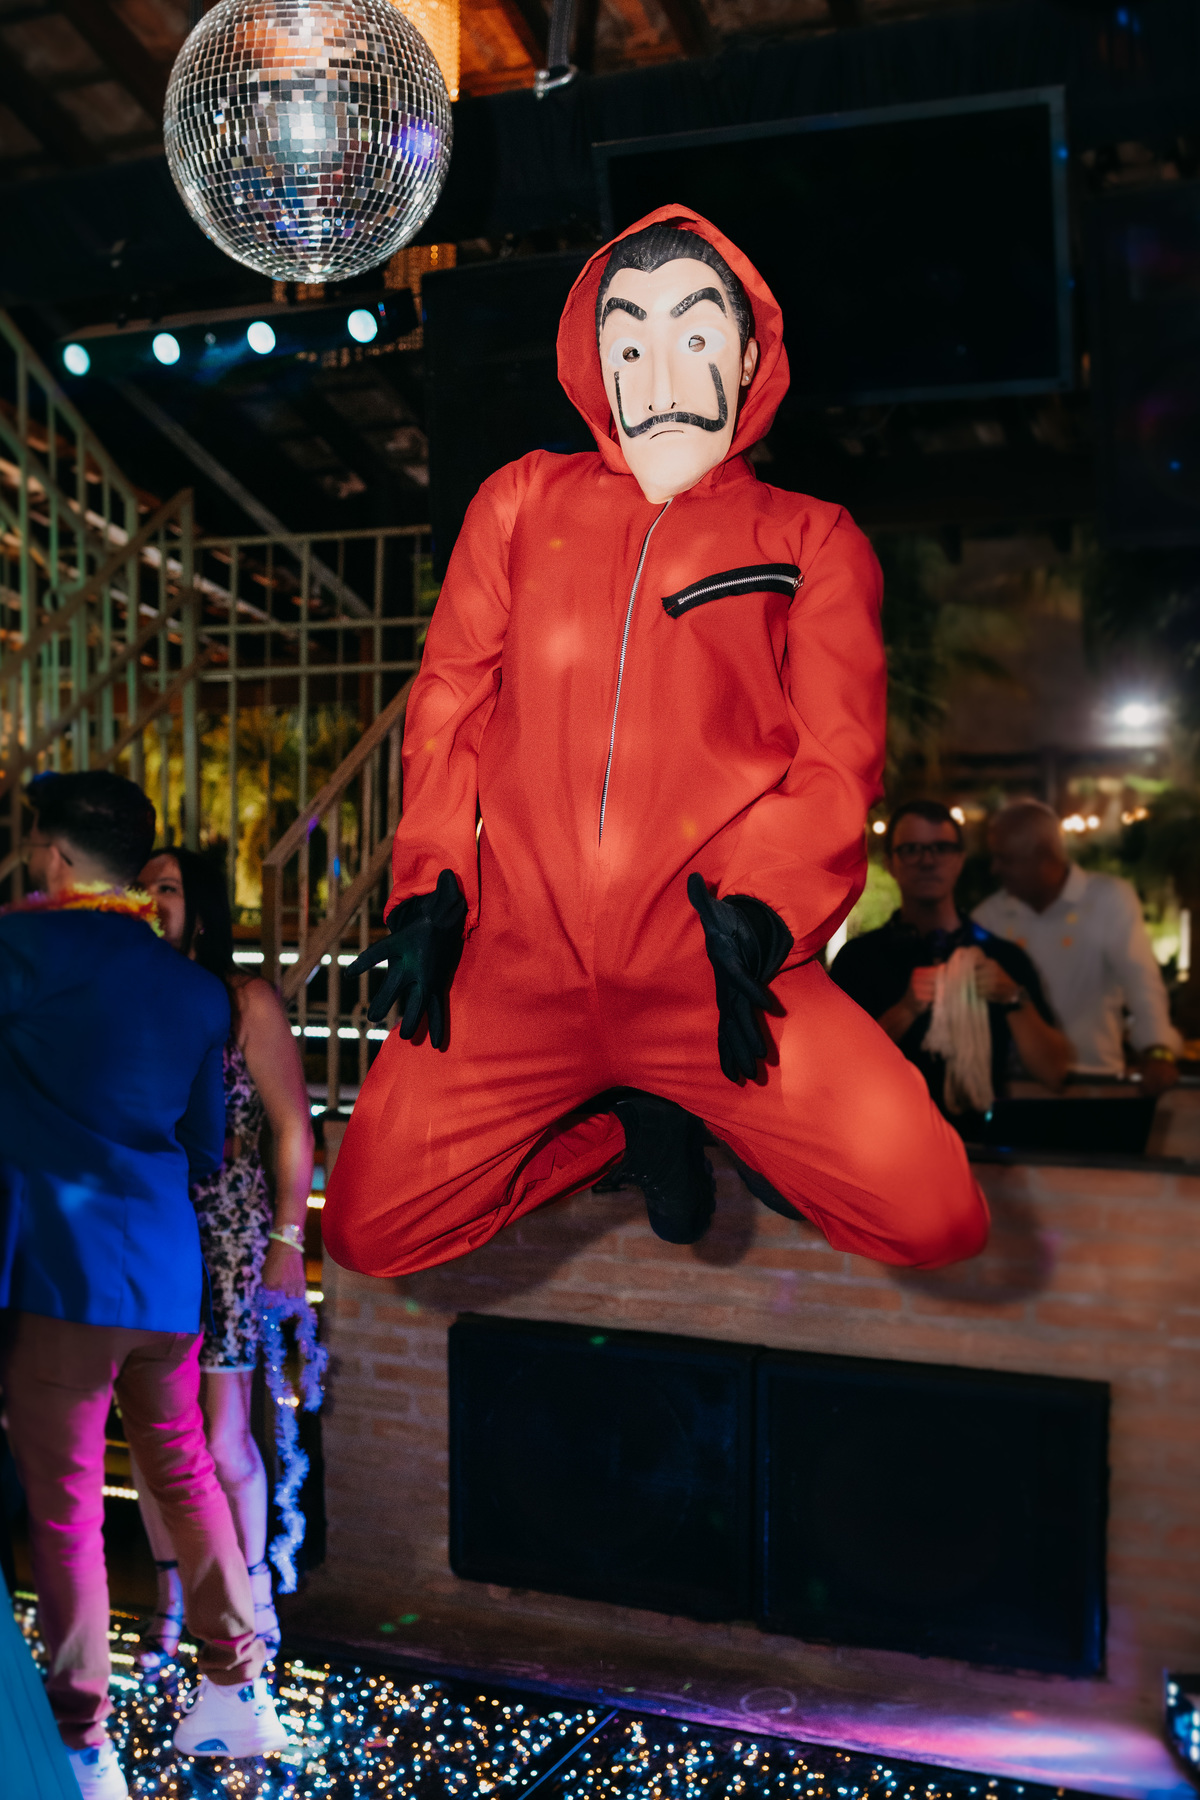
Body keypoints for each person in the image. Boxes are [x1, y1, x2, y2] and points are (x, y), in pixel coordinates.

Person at [323, 205, 988, 1283]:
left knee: (936, 1215)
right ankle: (626, 1124)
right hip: (516, 969)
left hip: (713, 972)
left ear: (749, 355)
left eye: (695, 335)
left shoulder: (810, 538)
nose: (661, 376)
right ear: (596, 369)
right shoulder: (519, 502)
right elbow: (448, 703)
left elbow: (837, 758)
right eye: (628, 347)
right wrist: (430, 886)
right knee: (369, 1230)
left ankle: (706, 1110)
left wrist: (765, 912)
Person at [0, 772, 286, 1800]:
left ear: (52, 856)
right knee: (186, 1474)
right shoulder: (195, 990)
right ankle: (237, 1690)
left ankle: (82, 1743)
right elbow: (206, 1145)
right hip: (166, 1273)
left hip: (60, 1274)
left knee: (68, 1508)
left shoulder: (25, 947)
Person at [131, 849, 313, 1669]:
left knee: (225, 1435)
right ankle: (172, 1594)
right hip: (148, 1224)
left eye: (166, 887)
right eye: (141, 886)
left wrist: (288, 1238)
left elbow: (293, 1125)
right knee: (152, 1433)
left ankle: (252, 1597)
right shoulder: (129, 998)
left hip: (229, 1229)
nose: (149, 899)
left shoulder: (246, 1002)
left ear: (199, 910)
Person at [830, 801, 1073, 1130]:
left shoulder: (1002, 957)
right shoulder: (858, 959)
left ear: (959, 860)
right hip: (887, 1142)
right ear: (890, 863)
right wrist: (905, 1011)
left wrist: (1013, 997)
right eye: (912, 849)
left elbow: (1054, 1073)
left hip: (981, 1143)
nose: (928, 860)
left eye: (941, 848)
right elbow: (837, 1074)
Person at [973, 799, 1182, 1094]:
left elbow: (1141, 980)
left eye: (1006, 859)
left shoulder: (1108, 899)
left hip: (1098, 1080)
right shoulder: (989, 916)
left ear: (1043, 857)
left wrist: (1157, 1048)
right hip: (1017, 1085)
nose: (995, 869)